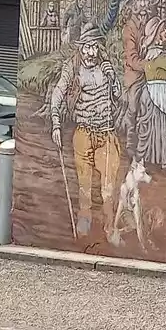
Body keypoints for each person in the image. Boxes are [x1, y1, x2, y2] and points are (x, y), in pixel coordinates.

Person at [48, 25, 123, 236]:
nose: (91, 53)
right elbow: (58, 93)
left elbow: (119, 95)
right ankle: (85, 219)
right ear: (81, 48)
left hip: (107, 133)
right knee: (84, 182)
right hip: (83, 133)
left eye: (94, 47)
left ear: (99, 48)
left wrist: (113, 78)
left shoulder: (107, 67)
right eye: (87, 47)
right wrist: (55, 123)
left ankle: (109, 226)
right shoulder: (72, 67)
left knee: (108, 185)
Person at [135, 18, 166, 170]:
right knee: (161, 127)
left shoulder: (151, 54)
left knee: (152, 128)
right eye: (163, 31)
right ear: (157, 36)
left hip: (149, 93)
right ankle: (164, 162)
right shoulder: (159, 56)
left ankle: (148, 159)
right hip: (158, 95)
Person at [118, 0, 157, 155]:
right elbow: (131, 57)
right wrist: (148, 66)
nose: (143, 4)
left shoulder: (153, 22)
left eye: (146, 0)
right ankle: (131, 140)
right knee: (133, 105)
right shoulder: (129, 27)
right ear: (134, 3)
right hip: (135, 73)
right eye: (140, 0)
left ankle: (154, 141)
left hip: (153, 69)